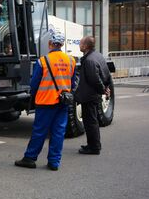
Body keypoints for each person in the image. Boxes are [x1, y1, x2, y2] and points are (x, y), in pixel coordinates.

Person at [14, 30, 76, 171]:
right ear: (62, 44)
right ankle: (54, 162)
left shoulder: (43, 61)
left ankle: (30, 158)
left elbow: (34, 83)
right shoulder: (71, 60)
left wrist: (33, 96)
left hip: (46, 102)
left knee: (40, 131)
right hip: (63, 102)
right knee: (58, 132)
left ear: (50, 44)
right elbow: (71, 83)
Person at [75, 36, 111, 155]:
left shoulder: (89, 60)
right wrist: (106, 87)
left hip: (89, 96)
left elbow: (94, 79)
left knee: (90, 122)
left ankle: (94, 147)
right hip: (93, 95)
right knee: (92, 121)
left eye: (80, 43)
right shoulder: (98, 55)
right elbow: (106, 73)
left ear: (85, 46)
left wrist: (103, 90)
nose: (79, 45)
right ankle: (93, 145)